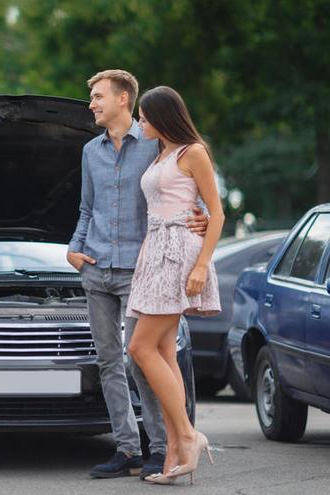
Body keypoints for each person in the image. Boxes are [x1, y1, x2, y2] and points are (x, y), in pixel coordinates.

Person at [67, 70, 208, 480]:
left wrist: (197, 218)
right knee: (109, 361)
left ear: (123, 98)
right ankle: (126, 449)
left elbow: (183, 189)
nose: (91, 103)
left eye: (97, 96)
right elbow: (86, 209)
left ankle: (162, 444)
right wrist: (74, 248)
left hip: (142, 269)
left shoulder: (153, 143)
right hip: (95, 269)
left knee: (140, 360)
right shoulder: (89, 151)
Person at [126, 86, 223, 485]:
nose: (141, 122)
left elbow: (215, 214)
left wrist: (201, 265)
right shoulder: (159, 153)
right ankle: (175, 452)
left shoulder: (192, 152)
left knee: (139, 348)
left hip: (179, 253)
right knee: (163, 350)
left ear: (164, 117)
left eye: (145, 117)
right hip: (153, 253)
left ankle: (188, 434)